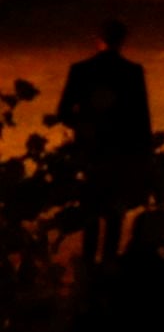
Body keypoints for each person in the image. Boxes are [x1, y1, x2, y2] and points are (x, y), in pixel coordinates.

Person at [57, 19, 152, 266]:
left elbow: (64, 112)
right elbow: (141, 118)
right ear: (122, 41)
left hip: (91, 150)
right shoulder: (132, 72)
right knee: (114, 214)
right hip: (120, 151)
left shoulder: (81, 70)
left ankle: (89, 265)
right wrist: (143, 155)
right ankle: (109, 263)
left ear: (97, 40)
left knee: (90, 211)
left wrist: (83, 125)